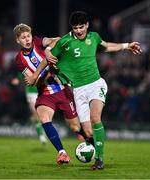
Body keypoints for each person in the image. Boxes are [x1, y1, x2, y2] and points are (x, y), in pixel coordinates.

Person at [44, 11, 142, 170]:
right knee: (88, 133)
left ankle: (99, 160)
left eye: (81, 27)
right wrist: (48, 51)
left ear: (87, 25)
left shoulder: (93, 37)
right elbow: (49, 55)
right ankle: (95, 148)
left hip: (96, 84)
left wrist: (126, 46)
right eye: (75, 28)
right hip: (78, 91)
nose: (79, 30)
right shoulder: (65, 41)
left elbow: (107, 46)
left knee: (95, 117)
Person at [13, 23, 81, 165]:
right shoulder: (19, 60)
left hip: (62, 89)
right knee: (43, 118)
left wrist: (49, 50)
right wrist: (49, 72)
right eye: (23, 37)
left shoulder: (38, 41)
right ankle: (62, 153)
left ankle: (88, 139)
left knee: (74, 127)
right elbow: (34, 82)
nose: (27, 39)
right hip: (44, 93)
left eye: (28, 36)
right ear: (17, 40)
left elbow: (57, 39)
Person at [11, 74, 47, 144]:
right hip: (31, 92)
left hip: (43, 91)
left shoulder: (43, 64)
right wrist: (18, 79)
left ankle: (41, 129)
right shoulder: (27, 64)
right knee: (36, 114)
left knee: (42, 115)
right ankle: (41, 135)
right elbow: (22, 73)